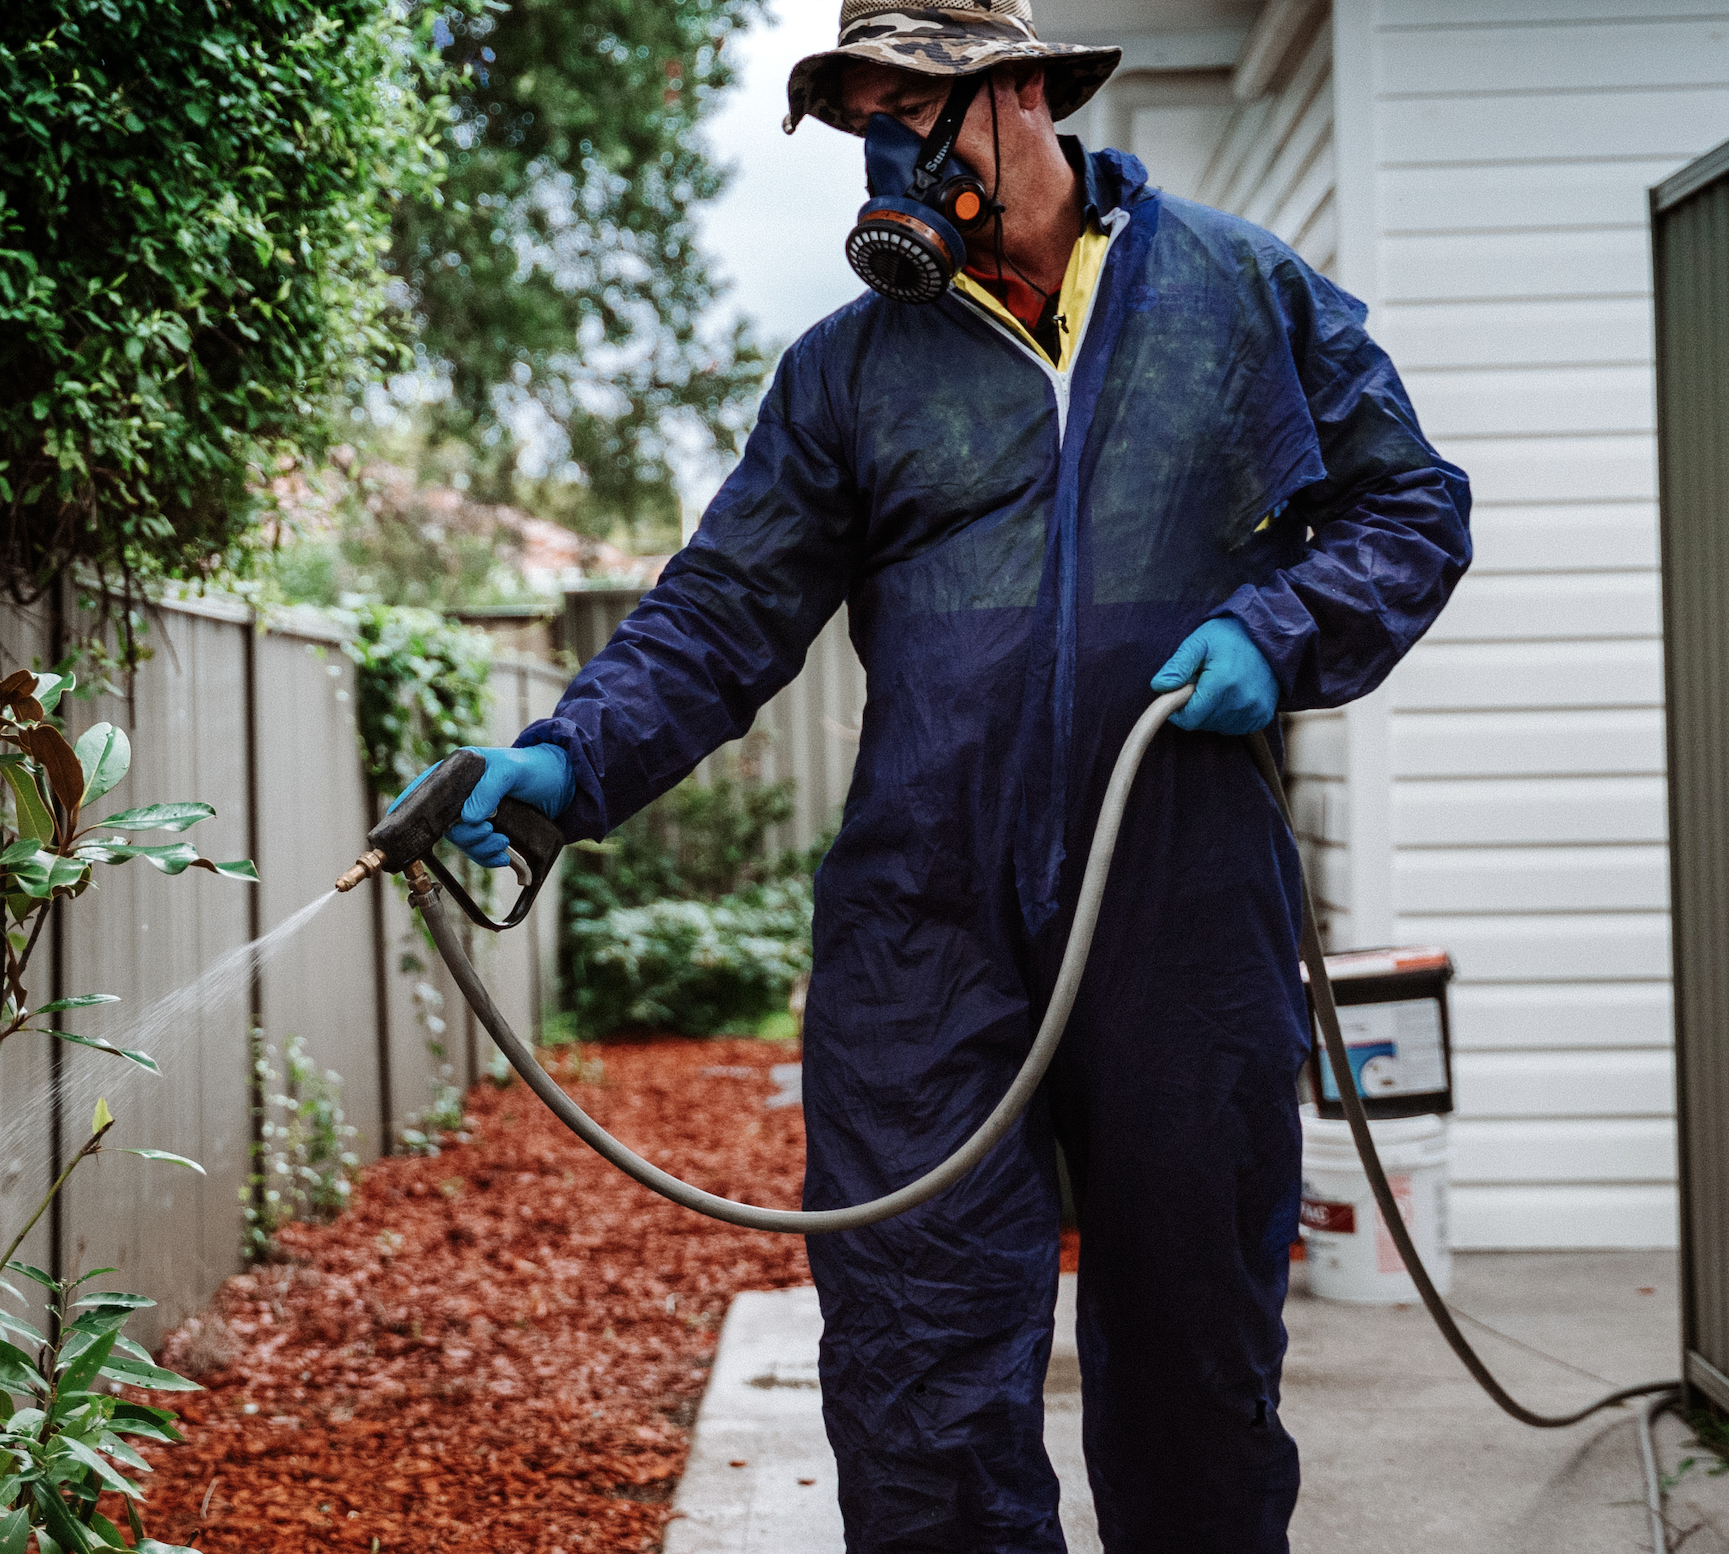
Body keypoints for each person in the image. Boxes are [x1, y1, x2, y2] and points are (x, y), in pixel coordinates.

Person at [416, 2, 1471, 1548]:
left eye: (913, 113)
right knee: (919, 1390)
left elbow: (1411, 507)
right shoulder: (849, 373)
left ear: (1021, 90)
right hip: (928, 927)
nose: (887, 156)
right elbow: (723, 610)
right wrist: (567, 758)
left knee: (1197, 1381)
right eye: (865, 125)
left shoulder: (1239, 293)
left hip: (1181, 908)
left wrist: (1282, 624)